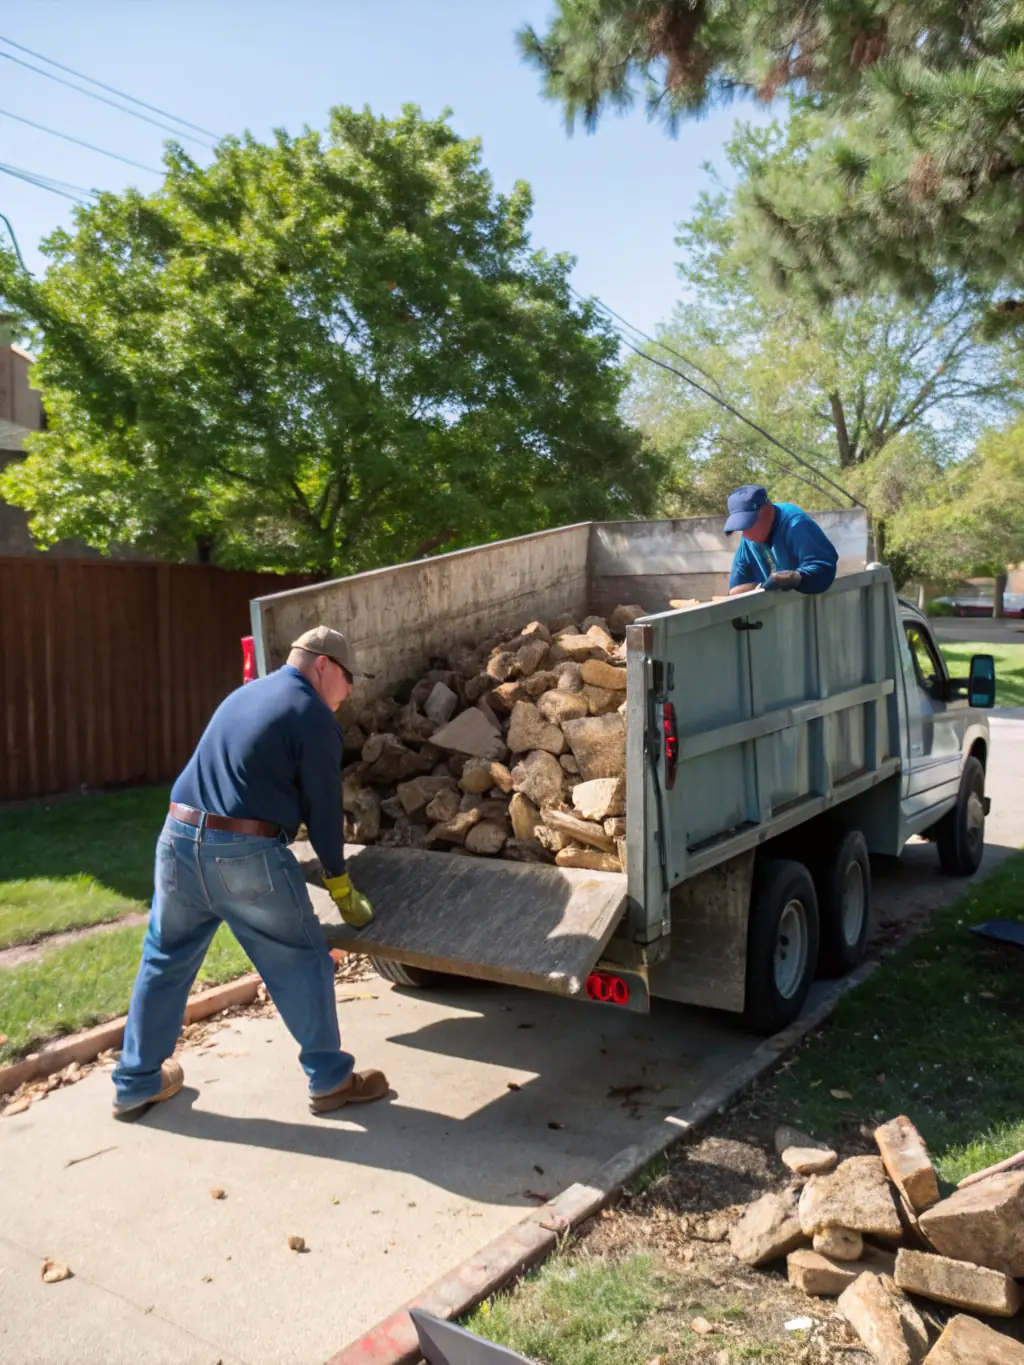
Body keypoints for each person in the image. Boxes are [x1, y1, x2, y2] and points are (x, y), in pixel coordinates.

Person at [112, 625, 388, 1122]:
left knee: (165, 958)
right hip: (243, 853)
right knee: (302, 958)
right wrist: (339, 881)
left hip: (176, 840)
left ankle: (135, 1082)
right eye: (348, 678)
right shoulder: (312, 716)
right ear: (322, 665)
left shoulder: (244, 696)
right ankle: (331, 1081)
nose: (349, 691)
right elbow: (324, 810)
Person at [725, 485, 838, 596]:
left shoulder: (796, 525)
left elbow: (825, 570)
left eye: (749, 524)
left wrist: (796, 578)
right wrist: (756, 587)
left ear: (767, 509)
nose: (746, 534)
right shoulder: (747, 539)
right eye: (741, 527)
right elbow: (735, 590)